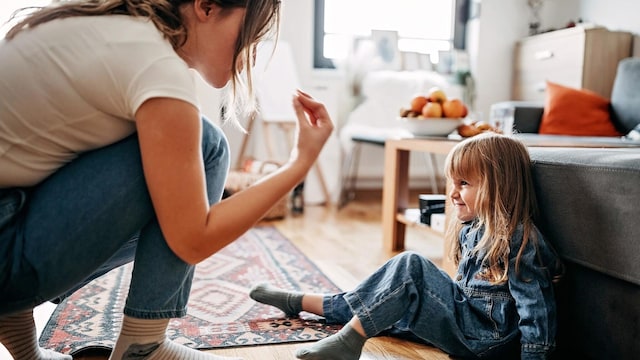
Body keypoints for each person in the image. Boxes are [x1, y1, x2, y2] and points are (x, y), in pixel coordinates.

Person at [0, 1, 334, 359]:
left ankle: (17, 329)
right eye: (249, 36)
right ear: (206, 7)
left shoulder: (112, 29)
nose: (249, 56)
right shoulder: (155, 66)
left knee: (171, 157)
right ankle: (145, 346)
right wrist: (299, 163)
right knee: (207, 145)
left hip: (9, 216)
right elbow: (193, 240)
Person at [250, 133, 564, 360]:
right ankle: (302, 302)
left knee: (410, 266)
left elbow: (536, 310)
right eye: (452, 182)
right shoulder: (476, 229)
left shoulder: (521, 240)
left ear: (500, 187)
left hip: (484, 339)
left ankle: (349, 341)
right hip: (468, 322)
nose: (452, 193)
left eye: (464, 184)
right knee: (383, 297)